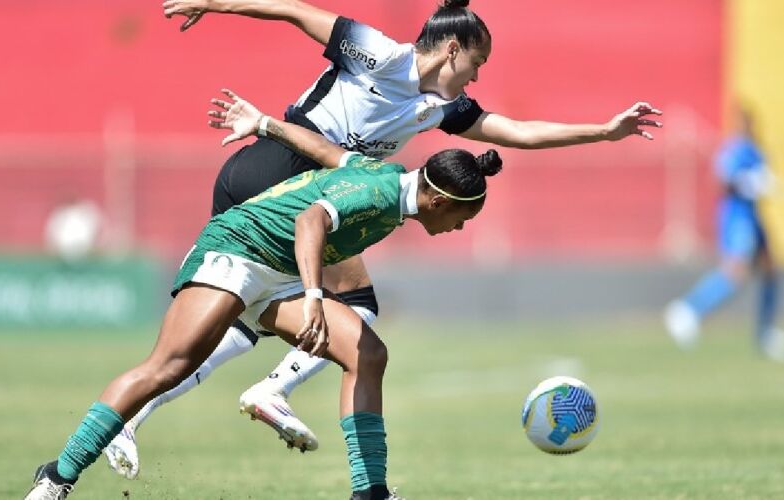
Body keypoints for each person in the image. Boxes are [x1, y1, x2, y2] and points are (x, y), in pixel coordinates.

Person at [104, 0, 664, 479]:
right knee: (353, 310)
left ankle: (134, 417)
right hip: (284, 174)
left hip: (307, 184)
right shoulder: (378, 52)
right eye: (477, 62)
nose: (477, 77)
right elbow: (297, 11)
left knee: (242, 323)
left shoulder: (443, 108)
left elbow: (516, 132)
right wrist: (216, 3)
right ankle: (270, 393)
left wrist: (604, 130)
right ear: (451, 49)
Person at [24, 89, 502, 500]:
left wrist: (266, 123)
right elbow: (308, 220)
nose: (459, 228)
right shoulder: (379, 195)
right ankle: (56, 478)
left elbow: (321, 148)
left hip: (277, 270)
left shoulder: (381, 178)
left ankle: (370, 491)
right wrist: (314, 296)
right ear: (439, 200)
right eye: (463, 218)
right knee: (168, 367)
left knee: (368, 354)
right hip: (238, 249)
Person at [664, 105, 781, 360]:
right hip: (737, 218)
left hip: (753, 216)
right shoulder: (734, 150)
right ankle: (688, 310)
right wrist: (746, 183)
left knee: (771, 270)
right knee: (735, 272)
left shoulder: (756, 150)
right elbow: (721, 181)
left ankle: (765, 333)